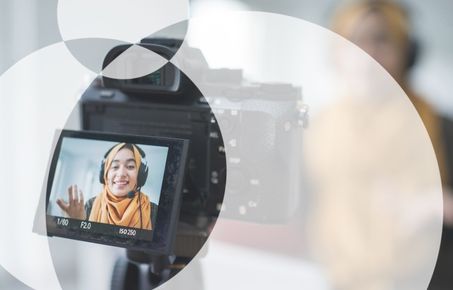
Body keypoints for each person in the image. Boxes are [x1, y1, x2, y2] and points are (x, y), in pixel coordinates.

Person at [328, 1, 453, 289]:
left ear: (407, 53)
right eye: (355, 40)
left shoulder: (441, 127)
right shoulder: (321, 128)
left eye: (381, 40)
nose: (368, 54)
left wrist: (434, 204)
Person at [56, 142, 157, 230]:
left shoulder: (153, 212)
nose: (121, 173)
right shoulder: (90, 205)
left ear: (140, 175)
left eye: (130, 166)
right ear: (105, 174)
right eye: (115, 166)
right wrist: (77, 223)